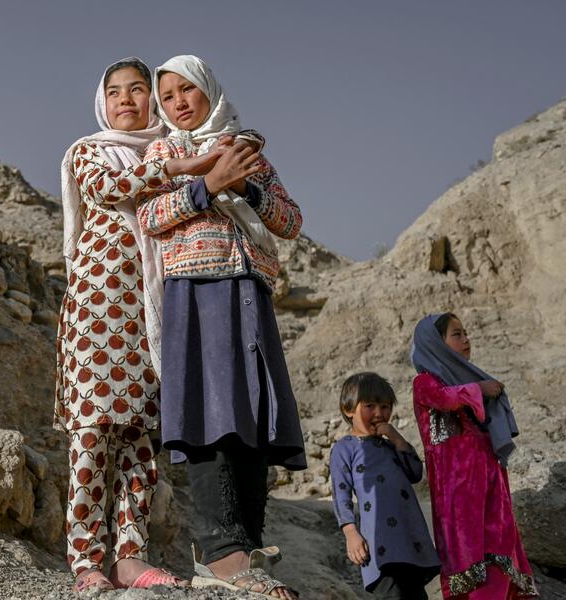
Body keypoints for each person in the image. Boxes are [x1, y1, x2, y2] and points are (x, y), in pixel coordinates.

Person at [137, 54, 305, 600]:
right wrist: (208, 184)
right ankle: (220, 553)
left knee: (251, 414)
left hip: (249, 290)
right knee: (212, 412)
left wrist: (246, 185)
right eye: (167, 97)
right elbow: (150, 217)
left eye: (186, 90)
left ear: (209, 89)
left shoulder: (246, 149)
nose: (178, 103)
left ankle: (249, 548)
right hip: (197, 291)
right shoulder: (166, 153)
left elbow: (290, 221)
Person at [56, 57, 222, 592]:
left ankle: (130, 555)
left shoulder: (164, 150)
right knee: (92, 432)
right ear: (101, 102)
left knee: (140, 437)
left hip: (150, 314)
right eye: (115, 91)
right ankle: (86, 560)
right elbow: (108, 189)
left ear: (153, 101)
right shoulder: (89, 151)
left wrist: (186, 167)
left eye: (137, 89)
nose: (126, 99)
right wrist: (179, 169)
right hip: (95, 311)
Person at [411, 313, 537, 598]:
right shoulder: (425, 382)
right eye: (457, 334)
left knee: (500, 552)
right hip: (459, 497)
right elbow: (444, 398)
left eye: (466, 333)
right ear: (435, 343)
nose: (466, 339)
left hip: (491, 485)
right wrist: (478, 389)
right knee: (470, 562)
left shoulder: (470, 379)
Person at [330, 372, 440, 599]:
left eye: (385, 406)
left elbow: (415, 473)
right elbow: (341, 493)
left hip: (409, 540)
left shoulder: (391, 447)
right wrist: (350, 532)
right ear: (348, 409)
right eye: (370, 406)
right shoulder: (344, 448)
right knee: (391, 594)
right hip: (379, 543)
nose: (379, 413)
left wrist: (397, 438)